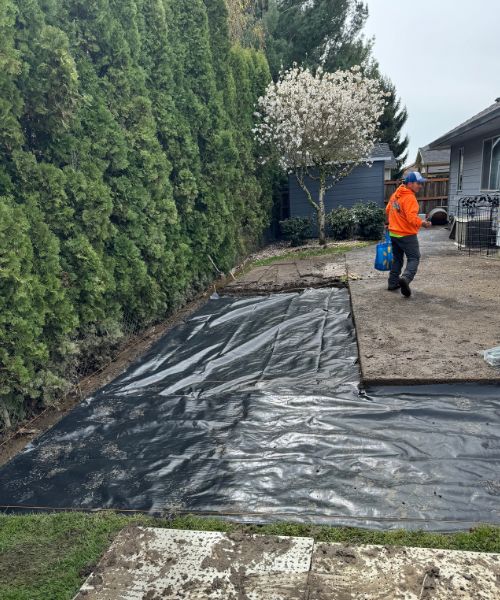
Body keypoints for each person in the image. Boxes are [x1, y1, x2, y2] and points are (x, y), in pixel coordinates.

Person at [385, 171, 432, 297]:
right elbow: (411, 218)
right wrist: (423, 223)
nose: (420, 186)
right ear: (410, 183)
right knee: (414, 258)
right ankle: (405, 278)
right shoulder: (410, 198)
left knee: (397, 259)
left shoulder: (396, 194)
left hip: (394, 233)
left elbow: (388, 209)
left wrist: (392, 222)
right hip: (406, 235)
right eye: (418, 183)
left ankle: (392, 283)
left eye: (421, 183)